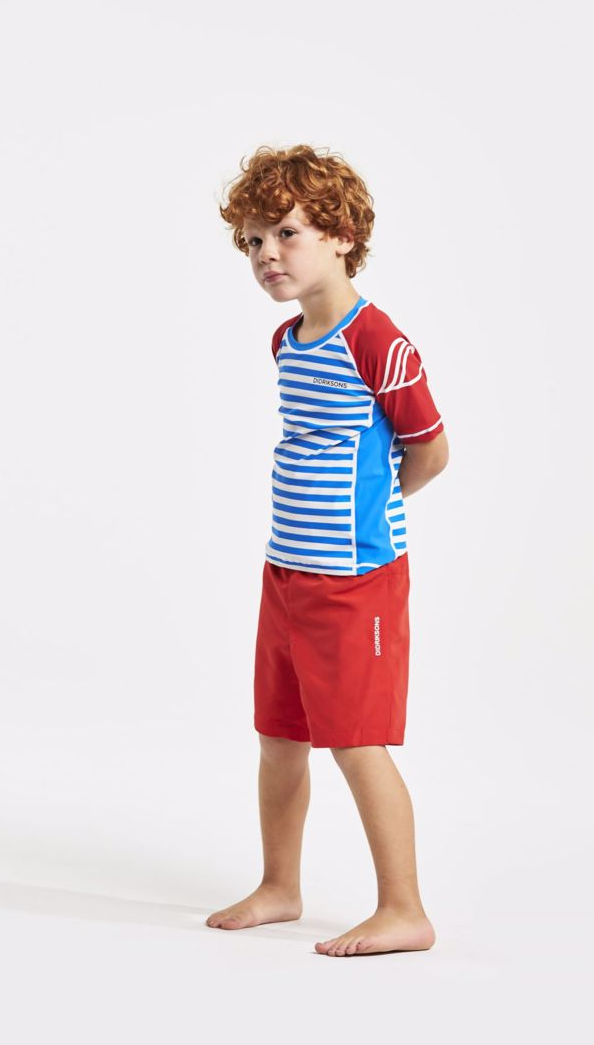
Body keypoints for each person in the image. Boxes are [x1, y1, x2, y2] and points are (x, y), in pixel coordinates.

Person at [208, 144, 450, 957]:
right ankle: (281, 886)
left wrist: (373, 512)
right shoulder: (289, 340)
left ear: (342, 236)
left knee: (355, 739)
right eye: (253, 241)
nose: (266, 254)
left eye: (286, 233)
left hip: (354, 580)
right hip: (286, 571)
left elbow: (430, 450)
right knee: (279, 735)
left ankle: (404, 909)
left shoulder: (378, 341)